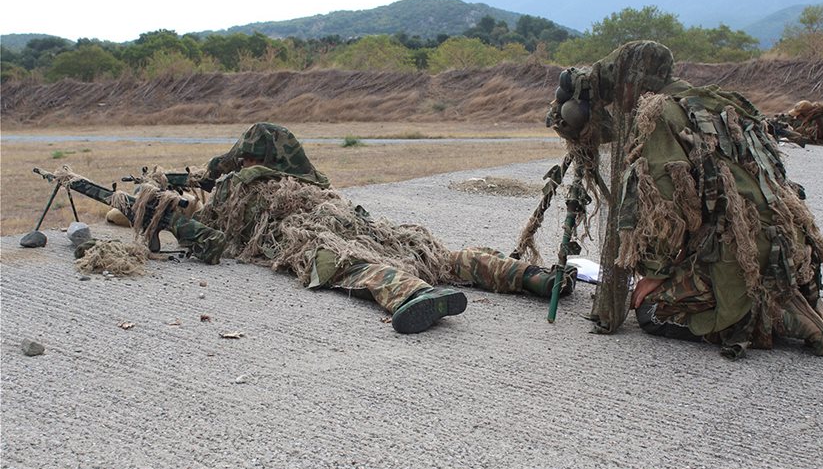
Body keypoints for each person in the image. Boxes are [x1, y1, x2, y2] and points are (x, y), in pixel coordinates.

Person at [544, 40, 823, 358]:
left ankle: (774, 316)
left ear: (632, 83)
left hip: (742, 250)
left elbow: (668, 207)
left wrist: (655, 276)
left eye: (618, 87)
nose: (617, 97)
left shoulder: (655, 115)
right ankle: (795, 297)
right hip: (782, 242)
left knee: (650, 312)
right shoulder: (704, 100)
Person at [165, 123, 575, 334]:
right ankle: (530, 277)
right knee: (429, 253)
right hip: (354, 221)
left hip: (302, 234)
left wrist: (172, 216)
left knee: (347, 265)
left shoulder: (243, 187)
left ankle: (413, 295)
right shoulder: (313, 182)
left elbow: (212, 237)